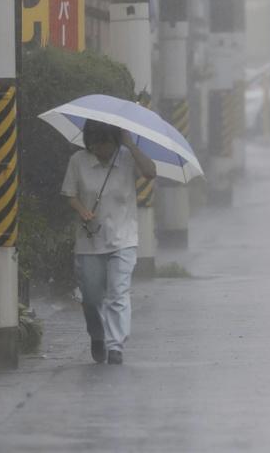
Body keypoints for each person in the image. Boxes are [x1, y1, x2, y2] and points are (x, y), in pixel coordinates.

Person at [60, 119, 156, 365]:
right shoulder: (78, 162)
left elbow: (150, 172)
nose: (103, 149)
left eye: (108, 143)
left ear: (115, 141)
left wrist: (130, 145)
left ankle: (116, 346)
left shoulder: (125, 157)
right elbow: (69, 194)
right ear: (89, 143)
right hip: (89, 242)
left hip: (123, 238)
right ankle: (98, 335)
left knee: (118, 292)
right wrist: (82, 210)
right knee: (91, 298)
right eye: (97, 144)